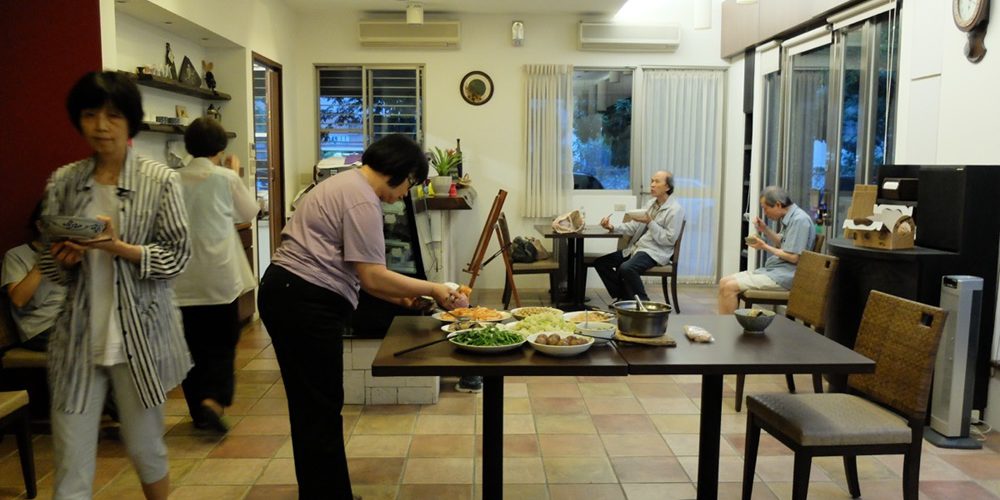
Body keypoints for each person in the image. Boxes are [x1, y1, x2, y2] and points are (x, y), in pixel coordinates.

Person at [257, 133, 467, 500]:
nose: (404, 194)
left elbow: (364, 278)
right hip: (303, 300)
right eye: (409, 185)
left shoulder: (344, 183)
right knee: (319, 409)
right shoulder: (362, 201)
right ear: (398, 173)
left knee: (314, 407)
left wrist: (403, 297)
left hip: (290, 293)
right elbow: (372, 275)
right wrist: (432, 288)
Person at [39, 71, 191, 499]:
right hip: (77, 339)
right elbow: (51, 271)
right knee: (70, 459)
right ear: (78, 120)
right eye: (90, 115)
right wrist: (62, 259)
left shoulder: (160, 180)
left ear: (130, 121)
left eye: (112, 116)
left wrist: (119, 247)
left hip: (141, 338)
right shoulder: (64, 182)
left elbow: (177, 257)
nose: (101, 126)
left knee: (146, 449)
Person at [174, 117, 259, 433]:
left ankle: (198, 410)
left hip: (180, 275)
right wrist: (235, 173)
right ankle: (213, 400)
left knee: (190, 345)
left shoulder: (171, 178)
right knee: (223, 340)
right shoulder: (225, 177)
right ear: (221, 147)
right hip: (218, 276)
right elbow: (249, 212)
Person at [717, 185, 814, 314]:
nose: (765, 213)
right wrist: (765, 229)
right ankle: (725, 326)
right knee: (724, 282)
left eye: (765, 208)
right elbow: (783, 243)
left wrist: (764, 246)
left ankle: (726, 329)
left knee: (729, 287)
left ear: (778, 205)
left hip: (786, 276)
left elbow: (794, 257)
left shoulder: (799, 220)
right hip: (777, 271)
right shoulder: (793, 218)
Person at [595, 170, 685, 302]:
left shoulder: (675, 210)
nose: (652, 185)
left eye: (656, 182)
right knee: (601, 263)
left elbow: (669, 240)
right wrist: (612, 227)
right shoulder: (650, 204)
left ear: (667, 187)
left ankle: (644, 302)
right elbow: (633, 227)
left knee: (626, 268)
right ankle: (625, 298)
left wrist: (650, 222)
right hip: (638, 248)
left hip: (655, 251)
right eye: (651, 181)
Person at [2, 202, 67, 352]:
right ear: (41, 226)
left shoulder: (70, 254)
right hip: (39, 328)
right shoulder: (16, 255)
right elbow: (18, 300)